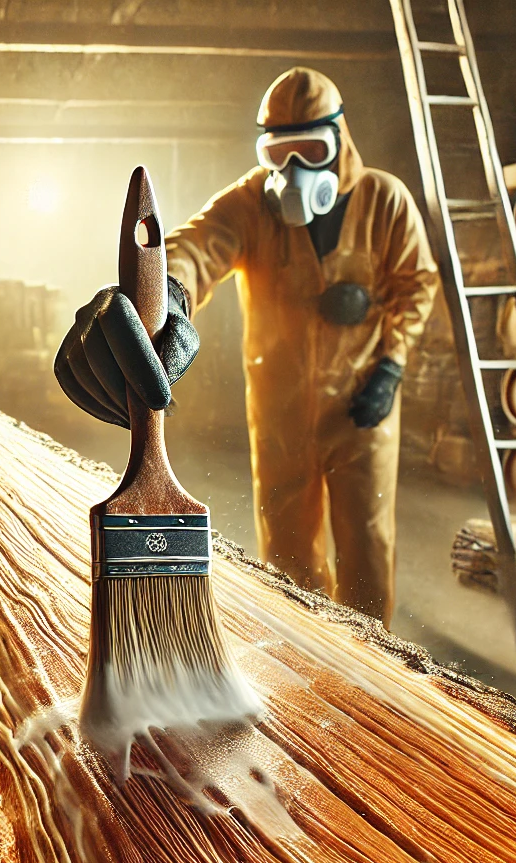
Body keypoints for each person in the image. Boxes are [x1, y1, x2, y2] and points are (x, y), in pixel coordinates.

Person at [56, 67, 439, 625]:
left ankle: (373, 656)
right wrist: (164, 295)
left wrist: (391, 366)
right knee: (287, 550)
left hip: (362, 405)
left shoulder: (385, 200)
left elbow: (418, 283)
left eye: (312, 149)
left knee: (367, 543)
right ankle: (305, 648)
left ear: (340, 142)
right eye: (279, 153)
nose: (295, 171)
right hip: (280, 408)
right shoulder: (250, 204)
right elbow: (192, 247)